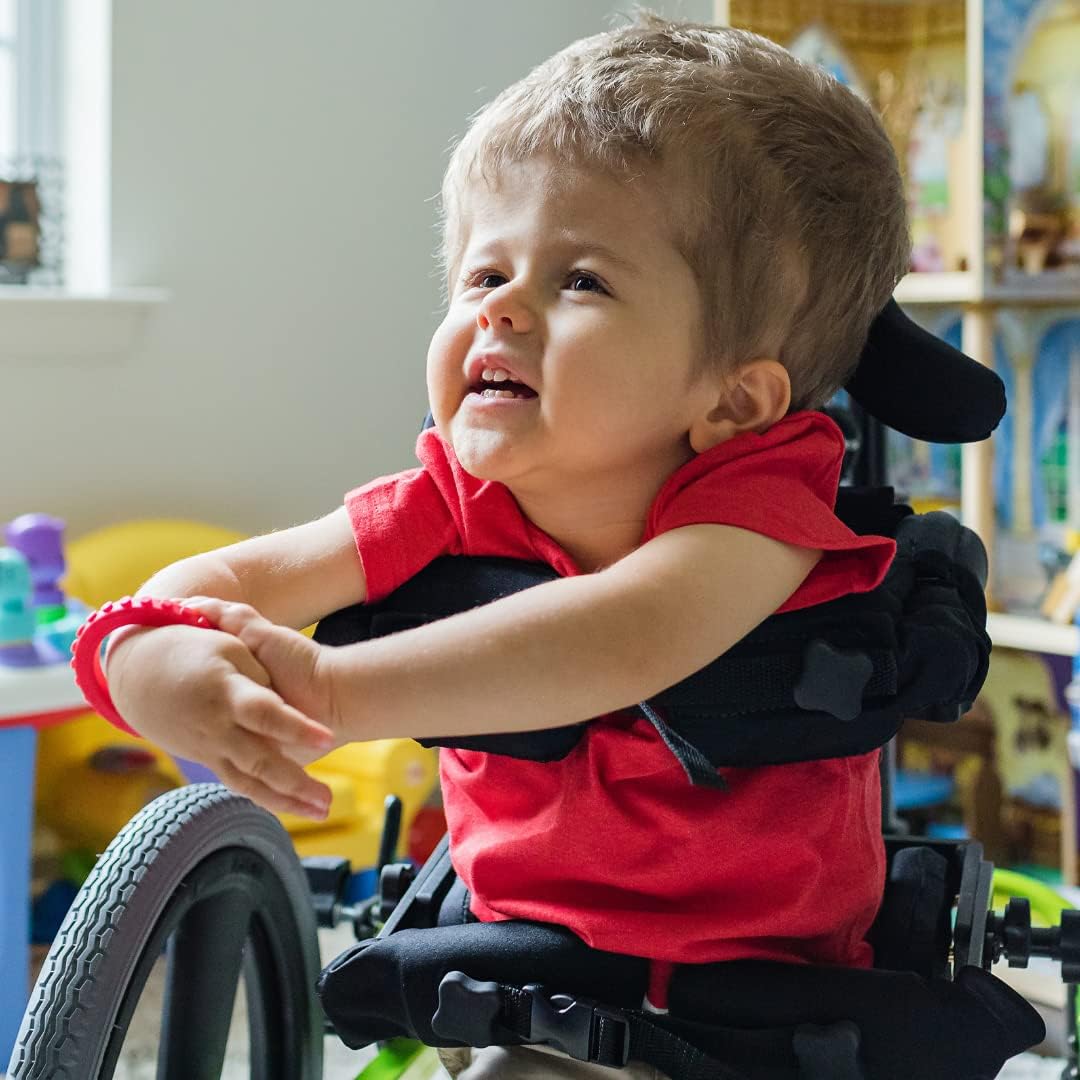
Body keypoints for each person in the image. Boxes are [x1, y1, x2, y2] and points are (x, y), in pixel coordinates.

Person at [102, 14, 910, 1078]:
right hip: (522, 960)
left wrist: (335, 691)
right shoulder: (456, 491)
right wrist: (149, 655)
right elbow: (214, 585)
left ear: (733, 398)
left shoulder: (761, 503)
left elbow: (626, 638)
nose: (504, 313)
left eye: (580, 281)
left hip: (745, 1002)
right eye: (484, 277)